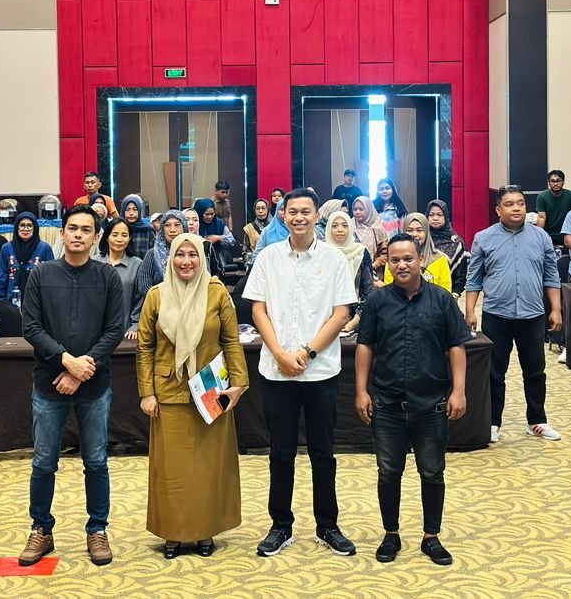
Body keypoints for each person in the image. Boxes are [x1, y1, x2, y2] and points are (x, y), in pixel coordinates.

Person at [246, 188, 357, 558]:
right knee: (281, 453)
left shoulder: (334, 258)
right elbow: (258, 310)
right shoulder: (268, 257)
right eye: (292, 211)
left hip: (320, 371)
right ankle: (281, 525)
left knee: (323, 453)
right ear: (283, 215)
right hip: (276, 372)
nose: (299, 217)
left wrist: (307, 353)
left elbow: (341, 313)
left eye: (305, 211)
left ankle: (328, 525)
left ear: (316, 215)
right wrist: (280, 354)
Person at [19, 205, 126, 568]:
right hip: (49, 383)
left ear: (96, 237)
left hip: (94, 385)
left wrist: (82, 370)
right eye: (72, 228)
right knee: (44, 462)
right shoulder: (41, 274)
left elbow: (115, 330)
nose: (78, 234)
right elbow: (31, 328)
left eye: (86, 229)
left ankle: (97, 529)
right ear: (62, 233)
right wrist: (67, 361)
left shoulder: (108, 277)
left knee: (95, 461)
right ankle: (41, 529)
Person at [355, 232, 469, 567]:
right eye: (395, 260)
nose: (402, 265)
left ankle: (431, 537)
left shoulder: (442, 300)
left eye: (408, 258)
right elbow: (365, 346)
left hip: (431, 403)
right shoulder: (377, 302)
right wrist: (361, 390)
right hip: (387, 404)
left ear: (421, 260)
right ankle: (390, 534)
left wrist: (459, 390)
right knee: (388, 472)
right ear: (388, 264)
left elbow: (456, 346)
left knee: (432, 472)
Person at [137, 232, 248, 558]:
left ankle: (205, 531)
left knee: (207, 468)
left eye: (193, 255)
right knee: (172, 472)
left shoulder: (217, 293)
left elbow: (231, 340)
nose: (186, 261)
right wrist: (147, 393)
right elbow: (145, 347)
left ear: (202, 258)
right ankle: (173, 533)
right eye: (180, 255)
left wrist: (239, 384)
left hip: (211, 392)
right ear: (171, 258)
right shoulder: (156, 296)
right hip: (168, 394)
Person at [463, 186, 562, 443]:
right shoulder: (484, 238)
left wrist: (556, 309)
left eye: (520, 203)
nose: (516, 208)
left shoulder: (541, 237)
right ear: (498, 210)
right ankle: (493, 422)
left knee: (535, 370)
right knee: (494, 372)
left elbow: (552, 276)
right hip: (497, 314)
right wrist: (470, 311)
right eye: (509, 204)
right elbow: (474, 279)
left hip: (533, 314)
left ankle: (537, 420)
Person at [324, 209, 377, 328]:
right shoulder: (322, 253)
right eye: (335, 226)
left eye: (345, 225)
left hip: (356, 317)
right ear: (328, 229)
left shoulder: (360, 252)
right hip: (325, 319)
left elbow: (368, 292)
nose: (340, 230)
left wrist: (354, 322)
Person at [0, 212, 54, 307]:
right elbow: (1, 277)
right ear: (17, 227)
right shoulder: (7, 248)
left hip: (38, 304)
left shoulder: (44, 248)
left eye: (29, 225)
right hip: (11, 303)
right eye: (22, 225)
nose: (25, 229)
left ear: (35, 228)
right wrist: (0, 304)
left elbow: (50, 278)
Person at [380, 213, 453, 293]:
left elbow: (445, 292)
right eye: (410, 230)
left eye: (419, 230)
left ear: (426, 232)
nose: (414, 234)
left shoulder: (440, 259)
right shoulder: (394, 260)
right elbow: (390, 290)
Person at [100, 219, 145, 337]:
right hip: (95, 332)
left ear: (129, 238)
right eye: (114, 235)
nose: (119, 239)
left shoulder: (137, 264)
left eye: (124, 235)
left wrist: (135, 325)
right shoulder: (94, 262)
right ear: (107, 237)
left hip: (125, 332)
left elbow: (139, 299)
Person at [425, 200, 470, 292]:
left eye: (439, 215)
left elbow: (462, 275)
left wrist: (455, 294)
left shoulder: (456, 243)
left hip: (448, 293)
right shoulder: (422, 241)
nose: (435, 218)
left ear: (445, 216)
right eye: (431, 215)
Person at [534, 170, 571, 245]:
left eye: (558, 181)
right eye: (553, 181)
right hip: (548, 234)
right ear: (549, 182)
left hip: (566, 233)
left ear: (563, 182)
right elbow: (541, 217)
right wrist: (539, 236)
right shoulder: (542, 196)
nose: (555, 184)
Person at [193, 198, 236, 271]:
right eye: (206, 214)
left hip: (218, 262)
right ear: (200, 213)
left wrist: (218, 238)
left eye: (212, 214)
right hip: (199, 262)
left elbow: (231, 241)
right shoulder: (195, 224)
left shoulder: (219, 223)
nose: (210, 217)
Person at [352, 196, 389, 269]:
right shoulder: (349, 226)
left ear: (369, 209)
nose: (357, 212)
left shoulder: (378, 229)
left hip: (375, 270)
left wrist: (374, 265)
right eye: (355, 209)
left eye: (361, 209)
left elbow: (385, 253)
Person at [120, 194, 156, 259]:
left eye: (135, 209)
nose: (131, 213)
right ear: (123, 211)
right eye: (128, 209)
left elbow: (154, 255)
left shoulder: (148, 230)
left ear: (139, 211)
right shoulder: (118, 229)